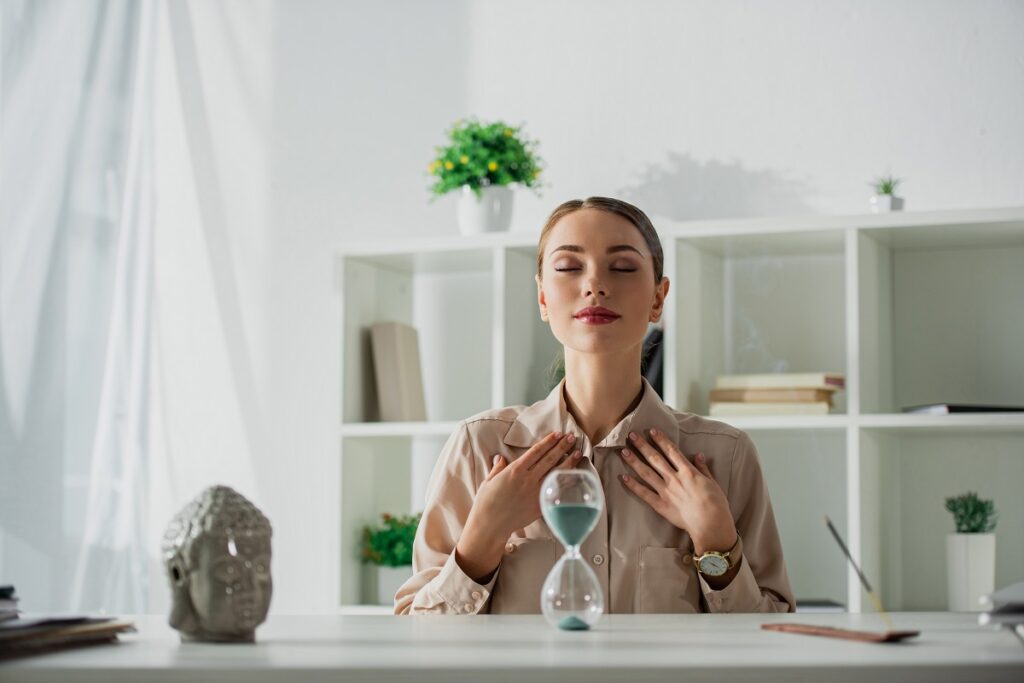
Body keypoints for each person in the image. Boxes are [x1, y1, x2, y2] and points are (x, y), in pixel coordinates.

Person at [394, 197, 794, 615]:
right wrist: (482, 539)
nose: (595, 286)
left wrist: (715, 541)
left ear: (659, 297)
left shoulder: (724, 457)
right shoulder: (480, 446)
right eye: (568, 267)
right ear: (543, 298)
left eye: (622, 268)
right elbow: (418, 637)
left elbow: (771, 642)